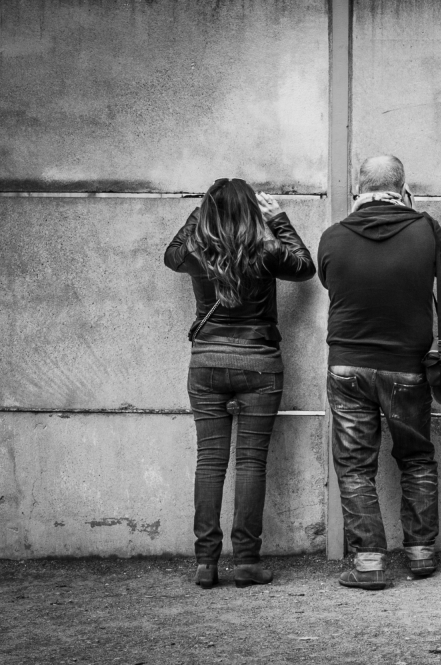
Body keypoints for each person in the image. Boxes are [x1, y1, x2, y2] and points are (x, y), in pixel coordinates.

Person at [318, 155, 441, 591]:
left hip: (347, 365)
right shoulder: (423, 228)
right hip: (407, 367)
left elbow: (330, 280)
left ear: (358, 189)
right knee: (416, 458)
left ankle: (368, 563)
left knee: (354, 467)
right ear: (403, 188)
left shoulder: (333, 236)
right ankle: (420, 553)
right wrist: (418, 217)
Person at [164, 179, 316, 589]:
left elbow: (170, 254)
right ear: (252, 211)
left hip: (207, 364)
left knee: (210, 462)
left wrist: (201, 213)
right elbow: (305, 266)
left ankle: (206, 562)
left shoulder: (195, 250)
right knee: (251, 462)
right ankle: (247, 562)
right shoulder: (266, 251)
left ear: (207, 210)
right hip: (259, 364)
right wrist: (278, 219)